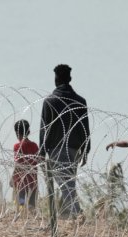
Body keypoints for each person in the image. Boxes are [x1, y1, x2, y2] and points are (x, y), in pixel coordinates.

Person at [39, 64, 91, 218]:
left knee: (65, 185)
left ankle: (77, 214)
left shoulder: (50, 101)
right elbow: (85, 127)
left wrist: (42, 151)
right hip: (75, 149)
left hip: (57, 148)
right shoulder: (80, 101)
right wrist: (86, 150)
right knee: (68, 184)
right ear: (70, 79)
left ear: (56, 79)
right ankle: (65, 217)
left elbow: (44, 127)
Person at [10, 120, 39, 212]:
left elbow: (18, 164)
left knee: (20, 204)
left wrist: (13, 178)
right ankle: (31, 217)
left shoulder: (17, 146)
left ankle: (22, 217)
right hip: (33, 179)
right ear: (29, 131)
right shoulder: (34, 146)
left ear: (17, 133)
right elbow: (37, 161)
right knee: (32, 206)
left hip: (20, 180)